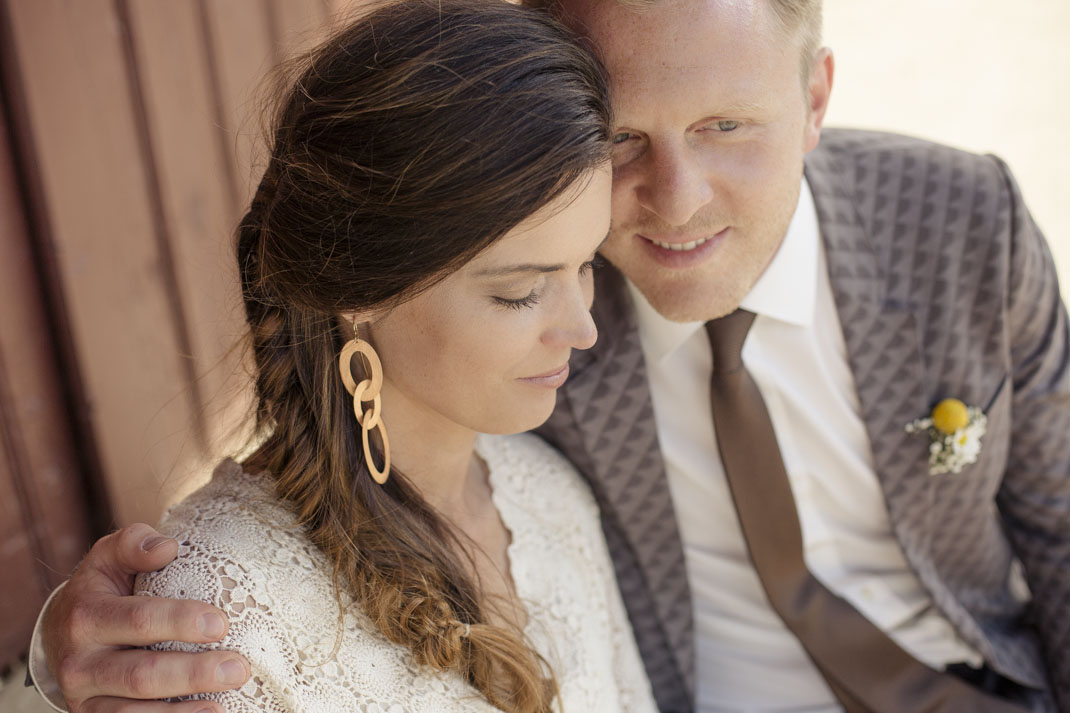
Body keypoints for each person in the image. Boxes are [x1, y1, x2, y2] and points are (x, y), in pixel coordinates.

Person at [27, 0, 1070, 711]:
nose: (675, 201)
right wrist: (52, 659)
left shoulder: (959, 225)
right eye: (621, 139)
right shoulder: (508, 287)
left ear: (813, 98)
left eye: (724, 124)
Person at [25, 1, 662, 712]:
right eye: (520, 291)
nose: (584, 329)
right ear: (361, 290)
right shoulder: (221, 609)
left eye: (584, 265)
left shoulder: (554, 499)